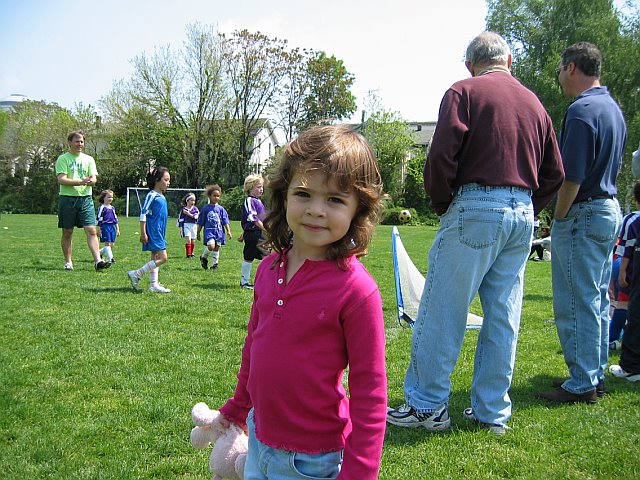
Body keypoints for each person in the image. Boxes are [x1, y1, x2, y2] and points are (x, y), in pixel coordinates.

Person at [387, 32, 564, 434]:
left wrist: (443, 204)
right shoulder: (535, 104)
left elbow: (440, 155)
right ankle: (492, 411)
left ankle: (427, 405)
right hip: (522, 211)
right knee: (503, 316)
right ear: (509, 60)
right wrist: (528, 207)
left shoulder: (463, 91)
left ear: (470, 64)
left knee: (442, 309)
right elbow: (555, 172)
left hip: (476, 205)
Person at [217, 125, 387, 479]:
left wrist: (359, 473)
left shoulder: (357, 290)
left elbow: (370, 394)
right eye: (304, 194)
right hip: (259, 438)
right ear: (284, 197)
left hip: (312, 460)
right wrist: (238, 406)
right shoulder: (268, 269)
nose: (316, 210)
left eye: (335, 199)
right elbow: (254, 346)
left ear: (358, 209)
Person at [537, 42, 626, 404]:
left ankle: (582, 382)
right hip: (607, 210)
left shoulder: (581, 110)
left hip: (583, 213)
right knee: (596, 299)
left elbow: (571, 176)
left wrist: (559, 217)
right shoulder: (612, 109)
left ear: (572, 67)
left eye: (560, 69)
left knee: (575, 302)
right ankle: (594, 373)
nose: (559, 77)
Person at [55, 130, 111, 271]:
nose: (80, 144)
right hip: (67, 199)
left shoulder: (89, 159)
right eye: (77, 141)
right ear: (69, 142)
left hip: (85, 199)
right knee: (67, 232)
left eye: (82, 141)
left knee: (91, 230)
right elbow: (61, 179)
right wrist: (80, 182)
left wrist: (91, 181)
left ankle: (98, 261)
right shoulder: (63, 159)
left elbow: (94, 178)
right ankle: (68, 262)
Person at [127, 167, 172, 293]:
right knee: (163, 258)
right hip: (154, 230)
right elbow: (143, 213)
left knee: (155, 256)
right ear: (157, 180)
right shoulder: (152, 195)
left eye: (169, 180)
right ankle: (136, 273)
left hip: (160, 230)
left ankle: (153, 284)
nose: (168, 183)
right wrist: (143, 232)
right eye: (166, 180)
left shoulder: (161, 196)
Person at [608, 183, 640, 350]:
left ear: (636, 199)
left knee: (623, 303)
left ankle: (612, 339)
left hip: (631, 267)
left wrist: (621, 272)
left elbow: (625, 248)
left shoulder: (632, 219)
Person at [239, 174, 267, 289]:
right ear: (250, 188)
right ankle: (244, 282)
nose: (261, 189)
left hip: (259, 233)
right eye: (258, 187)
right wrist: (266, 229)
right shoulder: (250, 200)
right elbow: (252, 218)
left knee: (266, 256)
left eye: (262, 187)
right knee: (249, 257)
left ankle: (263, 282)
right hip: (254, 233)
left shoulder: (258, 201)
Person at [197, 184, 232, 270]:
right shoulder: (205, 208)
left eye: (218, 196)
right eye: (214, 195)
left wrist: (228, 231)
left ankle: (214, 264)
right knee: (211, 246)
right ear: (209, 196)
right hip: (209, 231)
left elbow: (225, 220)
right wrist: (198, 232)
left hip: (219, 231)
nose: (216, 198)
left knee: (217, 248)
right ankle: (204, 257)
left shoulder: (221, 209)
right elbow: (201, 221)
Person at [96, 189, 120, 264]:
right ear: (104, 198)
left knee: (112, 245)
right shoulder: (102, 208)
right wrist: (99, 229)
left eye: (111, 197)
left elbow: (115, 219)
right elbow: (99, 218)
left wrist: (117, 229)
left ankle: (99, 253)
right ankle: (111, 259)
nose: (110, 199)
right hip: (105, 227)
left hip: (112, 227)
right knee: (107, 243)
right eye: (109, 197)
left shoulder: (112, 208)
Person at [178, 192, 199, 258]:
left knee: (193, 240)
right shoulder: (184, 209)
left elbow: (196, 217)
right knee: (188, 239)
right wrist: (180, 228)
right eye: (191, 200)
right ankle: (188, 254)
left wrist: (188, 214)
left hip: (193, 226)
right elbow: (181, 219)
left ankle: (192, 253)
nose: (193, 202)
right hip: (186, 225)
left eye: (194, 200)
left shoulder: (195, 209)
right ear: (187, 201)